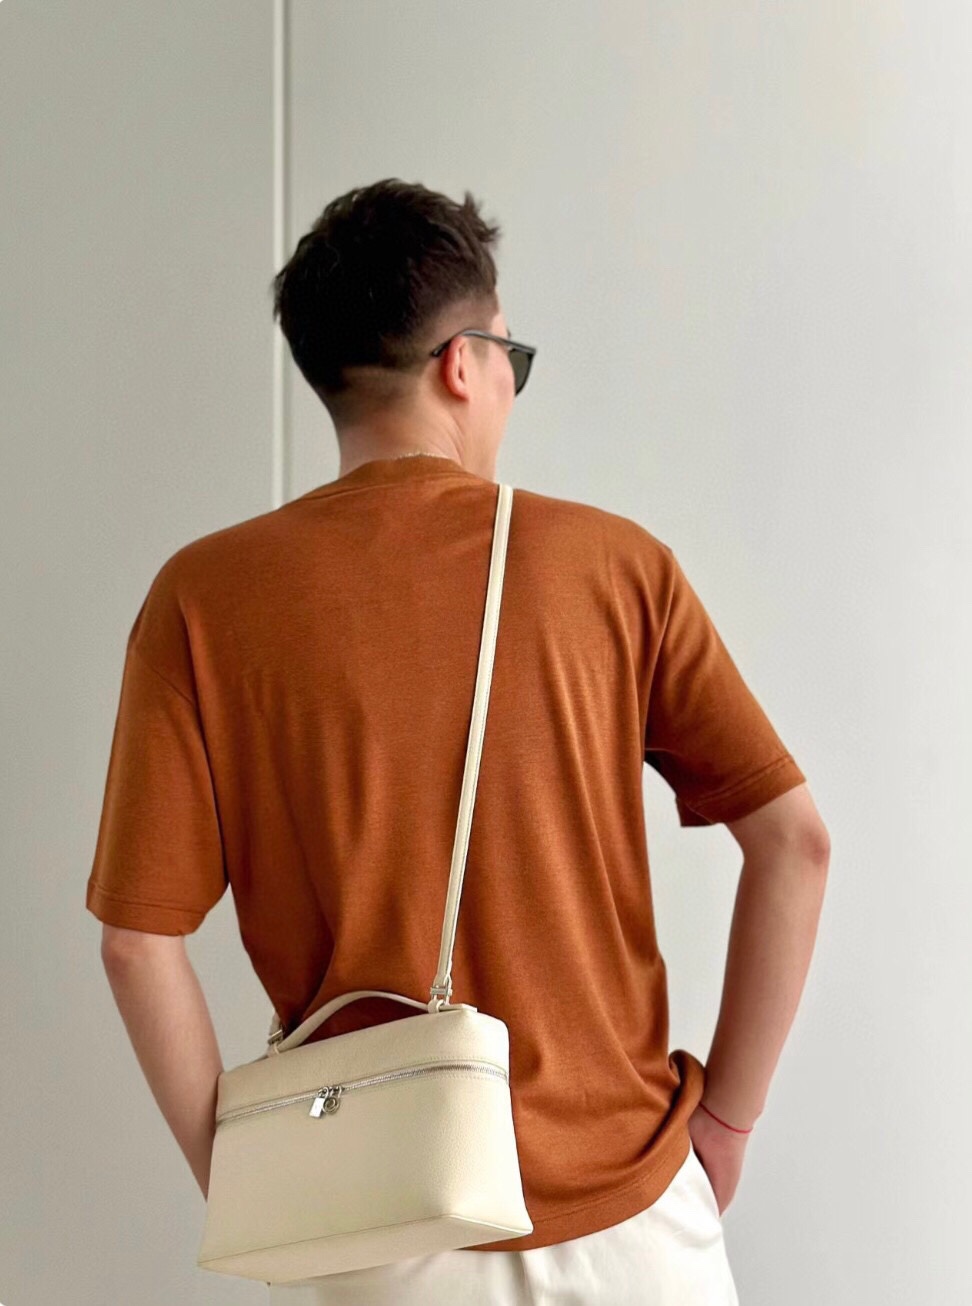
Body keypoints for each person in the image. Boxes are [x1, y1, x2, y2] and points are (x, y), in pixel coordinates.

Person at [86, 179, 831, 1305]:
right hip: (633, 1215)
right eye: (509, 359)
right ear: (462, 363)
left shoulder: (203, 600)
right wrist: (725, 1121)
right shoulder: (615, 568)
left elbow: (137, 946)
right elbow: (796, 843)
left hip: (373, 1232)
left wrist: (254, 1189)